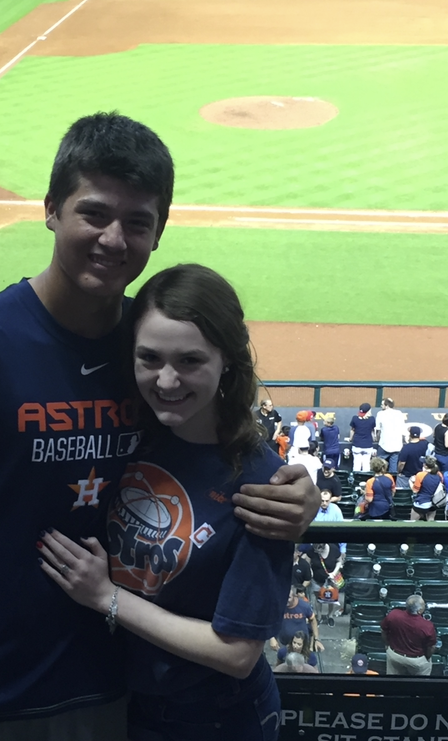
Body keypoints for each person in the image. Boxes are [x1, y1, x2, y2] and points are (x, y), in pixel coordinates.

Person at [0, 113, 319, 741]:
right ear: (52, 210)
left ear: (158, 233)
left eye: (137, 222)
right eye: (94, 213)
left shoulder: (148, 353)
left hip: (109, 690)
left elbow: (218, 447)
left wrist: (297, 497)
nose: (114, 239)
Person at [39, 264, 294, 738]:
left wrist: (106, 597)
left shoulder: (262, 485)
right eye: (150, 358)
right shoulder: (130, 432)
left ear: (228, 361)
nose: (168, 381)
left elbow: (237, 654)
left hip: (214, 718)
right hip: (121, 702)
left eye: (191, 361)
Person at [381, 595, 437, 676]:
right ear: (419, 611)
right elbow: (431, 647)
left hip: (395, 655)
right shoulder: (427, 626)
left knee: (392, 682)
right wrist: (427, 658)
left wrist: (387, 644)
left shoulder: (393, 615)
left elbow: (383, 631)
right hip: (416, 661)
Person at [272, 589, 323, 655]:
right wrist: (272, 638)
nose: (286, 600)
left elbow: (313, 620)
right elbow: (271, 621)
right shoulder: (278, 606)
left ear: (294, 596)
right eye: (284, 597)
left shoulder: (304, 606)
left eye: (289, 598)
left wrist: (316, 639)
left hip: (302, 646)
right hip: (284, 644)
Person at [307, 542, 344, 627]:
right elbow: (308, 562)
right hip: (317, 579)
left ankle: (330, 616)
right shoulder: (311, 550)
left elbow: (339, 561)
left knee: (332, 598)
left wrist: (334, 573)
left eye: (318, 550)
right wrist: (310, 571)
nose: (316, 551)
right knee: (318, 599)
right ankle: (319, 616)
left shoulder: (333, 548)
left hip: (331, 579)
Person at [374, 398, 406, 477]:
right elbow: (403, 428)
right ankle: (392, 483)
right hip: (397, 445)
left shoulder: (380, 413)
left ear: (387, 406)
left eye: (382, 404)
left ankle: (378, 481)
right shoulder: (399, 413)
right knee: (393, 468)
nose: (381, 406)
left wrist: (376, 438)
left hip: (385, 444)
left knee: (379, 465)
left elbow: (377, 429)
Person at [409, 456, 443, 521]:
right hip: (434, 503)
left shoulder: (420, 475)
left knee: (412, 522)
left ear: (425, 465)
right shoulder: (439, 474)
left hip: (421, 502)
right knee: (431, 522)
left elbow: (415, 491)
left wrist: (410, 481)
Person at [347, 403, 375, 472]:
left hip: (357, 445)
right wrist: (374, 439)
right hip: (368, 446)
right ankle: (366, 480)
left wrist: (350, 439)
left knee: (356, 465)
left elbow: (352, 431)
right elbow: (372, 432)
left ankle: (356, 481)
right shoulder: (372, 419)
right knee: (366, 465)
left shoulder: (355, 418)